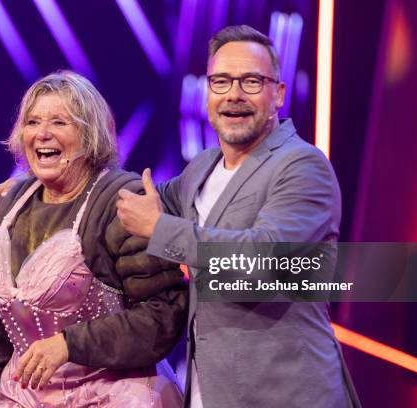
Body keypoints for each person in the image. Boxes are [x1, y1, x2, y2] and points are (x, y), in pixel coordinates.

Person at [116, 25, 361, 408]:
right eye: (221, 81)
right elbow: (129, 198)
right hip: (209, 393)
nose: (233, 94)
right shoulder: (202, 168)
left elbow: (262, 260)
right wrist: (29, 185)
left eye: (250, 81)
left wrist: (161, 229)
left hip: (285, 396)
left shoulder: (301, 166)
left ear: (278, 94)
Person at [0, 70, 187, 407]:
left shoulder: (123, 204)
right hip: (21, 398)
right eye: (33, 122)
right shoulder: (3, 210)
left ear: (89, 135)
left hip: (115, 395)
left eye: (59, 123)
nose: (42, 134)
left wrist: (70, 344)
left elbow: (162, 317)